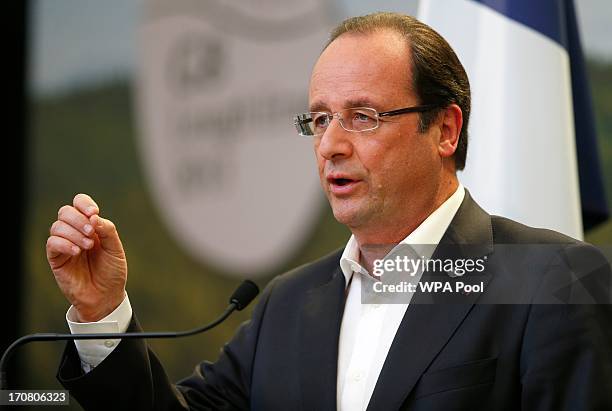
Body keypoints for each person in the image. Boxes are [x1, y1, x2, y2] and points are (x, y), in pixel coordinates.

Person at [46, 12, 612, 410]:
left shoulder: (552, 280)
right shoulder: (289, 305)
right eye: (319, 119)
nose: (330, 146)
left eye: (362, 116)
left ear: (444, 128)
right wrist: (102, 313)